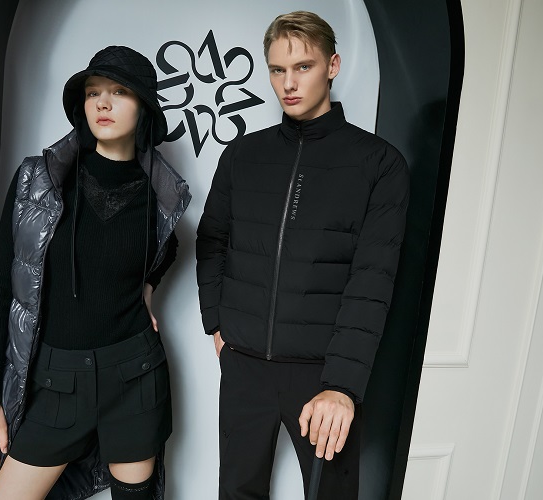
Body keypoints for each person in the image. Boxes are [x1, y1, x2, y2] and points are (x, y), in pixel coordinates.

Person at [196, 11, 409, 499]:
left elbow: (373, 279)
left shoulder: (379, 165)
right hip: (245, 365)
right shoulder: (242, 156)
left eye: (303, 67)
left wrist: (343, 385)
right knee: (237, 493)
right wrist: (218, 325)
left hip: (323, 375)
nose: (288, 84)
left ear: (332, 66)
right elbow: (211, 241)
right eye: (277, 70)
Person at [0, 46, 191, 500]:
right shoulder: (38, 181)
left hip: (134, 378)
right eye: (93, 93)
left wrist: (147, 289)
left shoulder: (160, 196)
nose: (103, 103)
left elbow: (171, 247)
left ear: (144, 108)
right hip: (56, 383)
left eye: (119, 92)